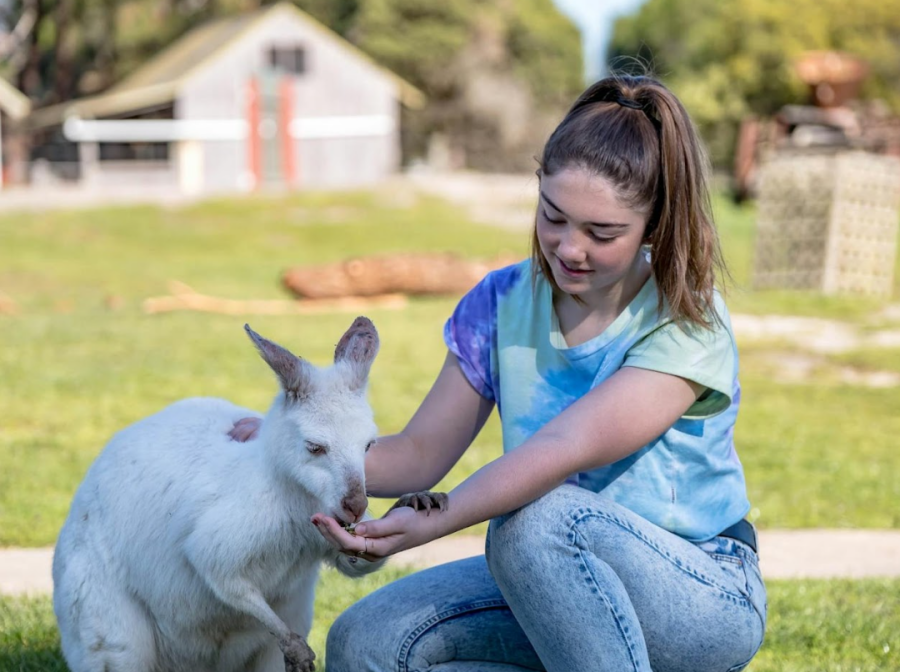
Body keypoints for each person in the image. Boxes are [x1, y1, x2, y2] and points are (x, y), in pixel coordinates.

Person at [230, 74, 766, 672]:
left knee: (535, 520)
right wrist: (303, 449)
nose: (569, 248)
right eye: (554, 216)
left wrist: (437, 521)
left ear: (654, 224)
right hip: (547, 576)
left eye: (602, 232)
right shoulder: (498, 303)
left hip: (701, 592)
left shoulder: (687, 315)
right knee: (364, 641)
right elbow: (419, 451)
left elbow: (566, 446)